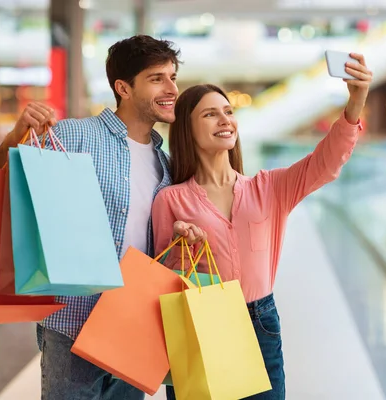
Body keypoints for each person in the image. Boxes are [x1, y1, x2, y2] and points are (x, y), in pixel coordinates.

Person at [0, 35, 205, 400]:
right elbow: (0, 180)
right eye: (157, 78)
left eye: (173, 76)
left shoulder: (167, 165)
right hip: (73, 323)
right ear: (124, 88)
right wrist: (15, 136)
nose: (172, 88)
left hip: (135, 326)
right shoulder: (73, 135)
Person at [152, 54, 372, 399]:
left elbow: (326, 163)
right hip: (201, 324)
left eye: (228, 112)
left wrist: (355, 103)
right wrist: (183, 248)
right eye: (210, 114)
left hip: (260, 324)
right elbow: (163, 280)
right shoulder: (171, 200)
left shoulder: (269, 188)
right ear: (187, 129)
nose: (225, 120)